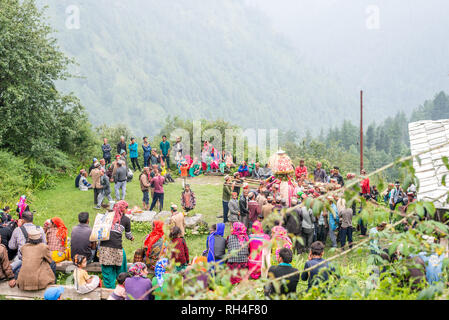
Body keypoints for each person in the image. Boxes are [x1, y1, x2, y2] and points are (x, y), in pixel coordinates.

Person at [99, 201, 134, 289]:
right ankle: (121, 288)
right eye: (127, 208)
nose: (127, 210)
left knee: (107, 271)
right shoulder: (126, 219)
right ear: (124, 209)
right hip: (117, 249)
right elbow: (128, 235)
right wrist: (132, 238)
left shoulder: (107, 216)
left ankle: (109, 290)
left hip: (104, 249)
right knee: (121, 267)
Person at [8, 211, 47, 277]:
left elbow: (11, 246)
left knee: (15, 261)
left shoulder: (17, 230)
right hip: (38, 258)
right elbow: (45, 244)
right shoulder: (39, 229)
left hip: (23, 259)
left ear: (23, 220)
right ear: (32, 219)